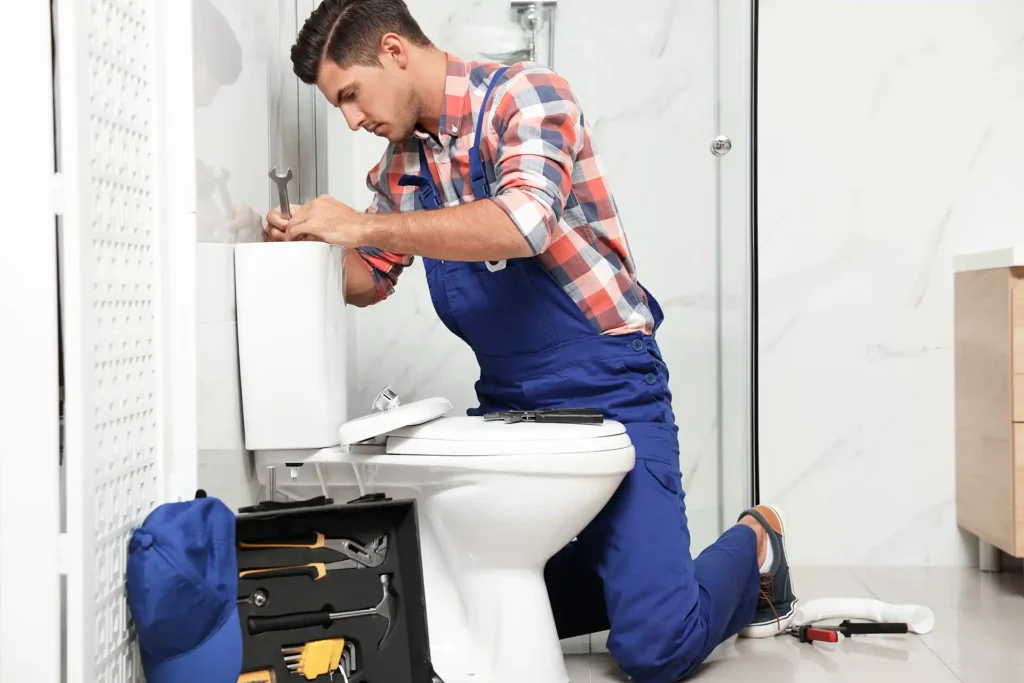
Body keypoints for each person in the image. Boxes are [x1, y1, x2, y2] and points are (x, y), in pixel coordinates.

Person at [265, 1, 798, 680]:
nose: (351, 118)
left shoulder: (527, 97)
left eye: (350, 94)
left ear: (394, 52)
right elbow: (369, 278)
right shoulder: (403, 165)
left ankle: (755, 542)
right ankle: (636, 575)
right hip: (512, 396)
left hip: (610, 380)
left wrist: (362, 227)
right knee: (460, 608)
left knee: (655, 648)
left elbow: (523, 222)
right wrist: (297, 249)